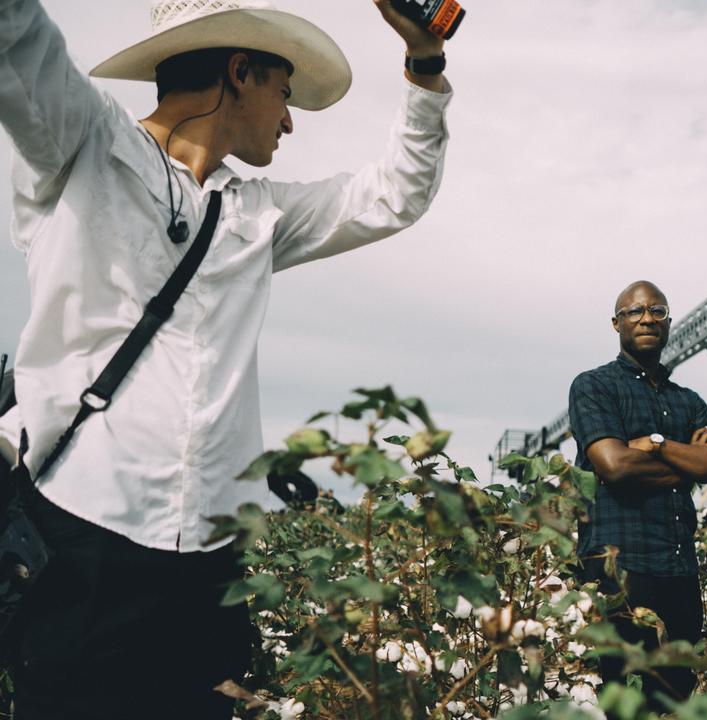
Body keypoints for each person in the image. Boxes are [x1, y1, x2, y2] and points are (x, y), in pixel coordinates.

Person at [0, 0, 452, 716]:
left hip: (213, 562)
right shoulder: (82, 139)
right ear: (240, 71)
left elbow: (394, 194)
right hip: (81, 535)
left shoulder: (256, 213)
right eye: (284, 90)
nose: (290, 117)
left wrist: (426, 63)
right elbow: (15, 33)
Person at [568, 281, 707, 710]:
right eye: (634, 312)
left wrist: (655, 445)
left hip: (678, 573)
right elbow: (615, 466)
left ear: (669, 323)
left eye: (656, 311)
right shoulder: (593, 386)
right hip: (619, 572)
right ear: (616, 323)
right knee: (620, 699)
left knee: (674, 700)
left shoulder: (688, 401)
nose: (646, 319)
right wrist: (686, 461)